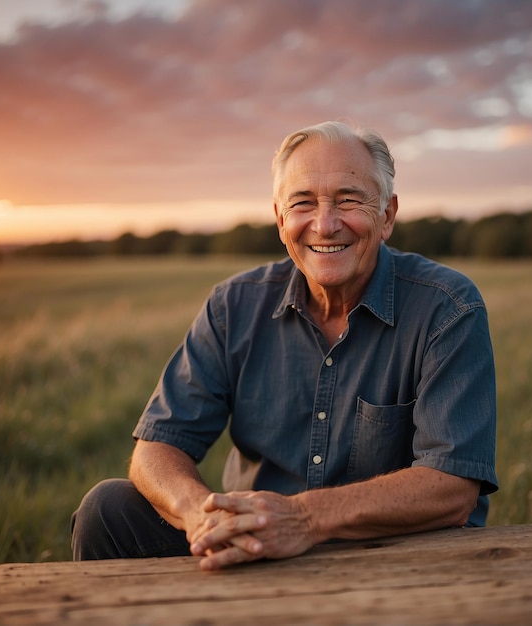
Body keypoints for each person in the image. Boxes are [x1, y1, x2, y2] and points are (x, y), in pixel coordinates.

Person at [71, 120, 498, 570]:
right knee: (108, 509)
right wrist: (200, 513)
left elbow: (453, 487)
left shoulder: (448, 308)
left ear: (387, 215)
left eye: (349, 200)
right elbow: (157, 447)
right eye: (303, 203)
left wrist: (303, 519)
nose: (325, 224)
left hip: (391, 559)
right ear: (280, 219)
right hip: (257, 553)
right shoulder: (234, 306)